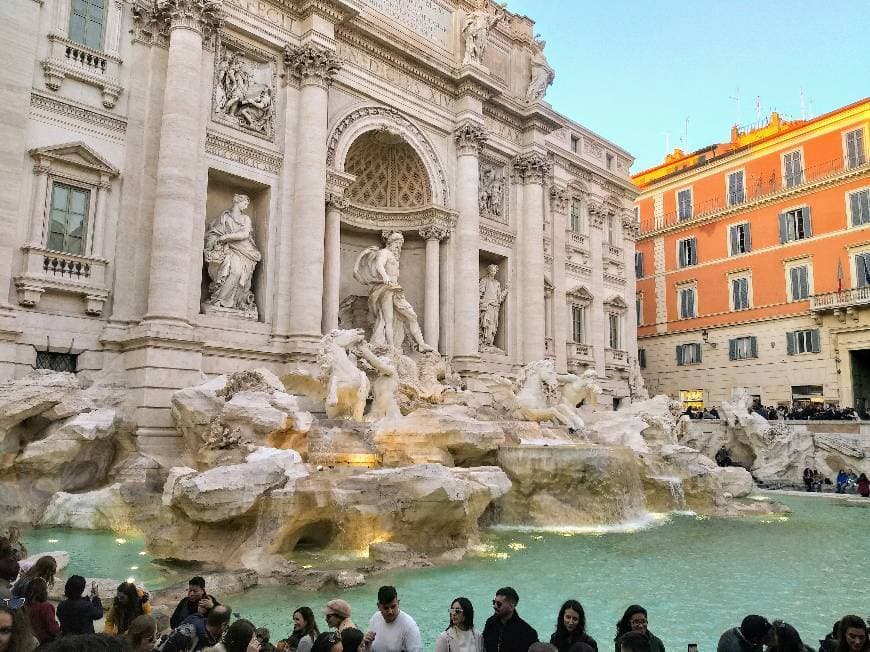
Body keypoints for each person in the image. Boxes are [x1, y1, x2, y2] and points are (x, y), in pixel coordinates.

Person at [353, 232, 434, 352]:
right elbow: (379, 265)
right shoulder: (384, 253)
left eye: (400, 244)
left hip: (396, 289)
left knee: (412, 315)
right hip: (386, 288)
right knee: (388, 319)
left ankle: (421, 344)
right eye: (397, 243)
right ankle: (391, 347)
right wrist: (385, 276)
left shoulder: (393, 256)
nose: (399, 247)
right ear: (390, 242)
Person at [363, 586, 422, 652]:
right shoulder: (375, 618)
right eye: (386, 608)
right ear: (378, 606)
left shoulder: (410, 627)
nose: (390, 611)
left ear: (398, 603)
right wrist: (367, 646)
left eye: (393, 606)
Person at [482, 587, 538, 652]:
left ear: (511, 606)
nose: (494, 606)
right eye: (494, 602)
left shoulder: (528, 633)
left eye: (499, 604)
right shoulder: (490, 623)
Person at [23, 577, 59, 644]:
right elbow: (53, 629)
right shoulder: (46, 607)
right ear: (44, 591)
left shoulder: (23, 605)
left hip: (28, 638)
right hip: (43, 641)